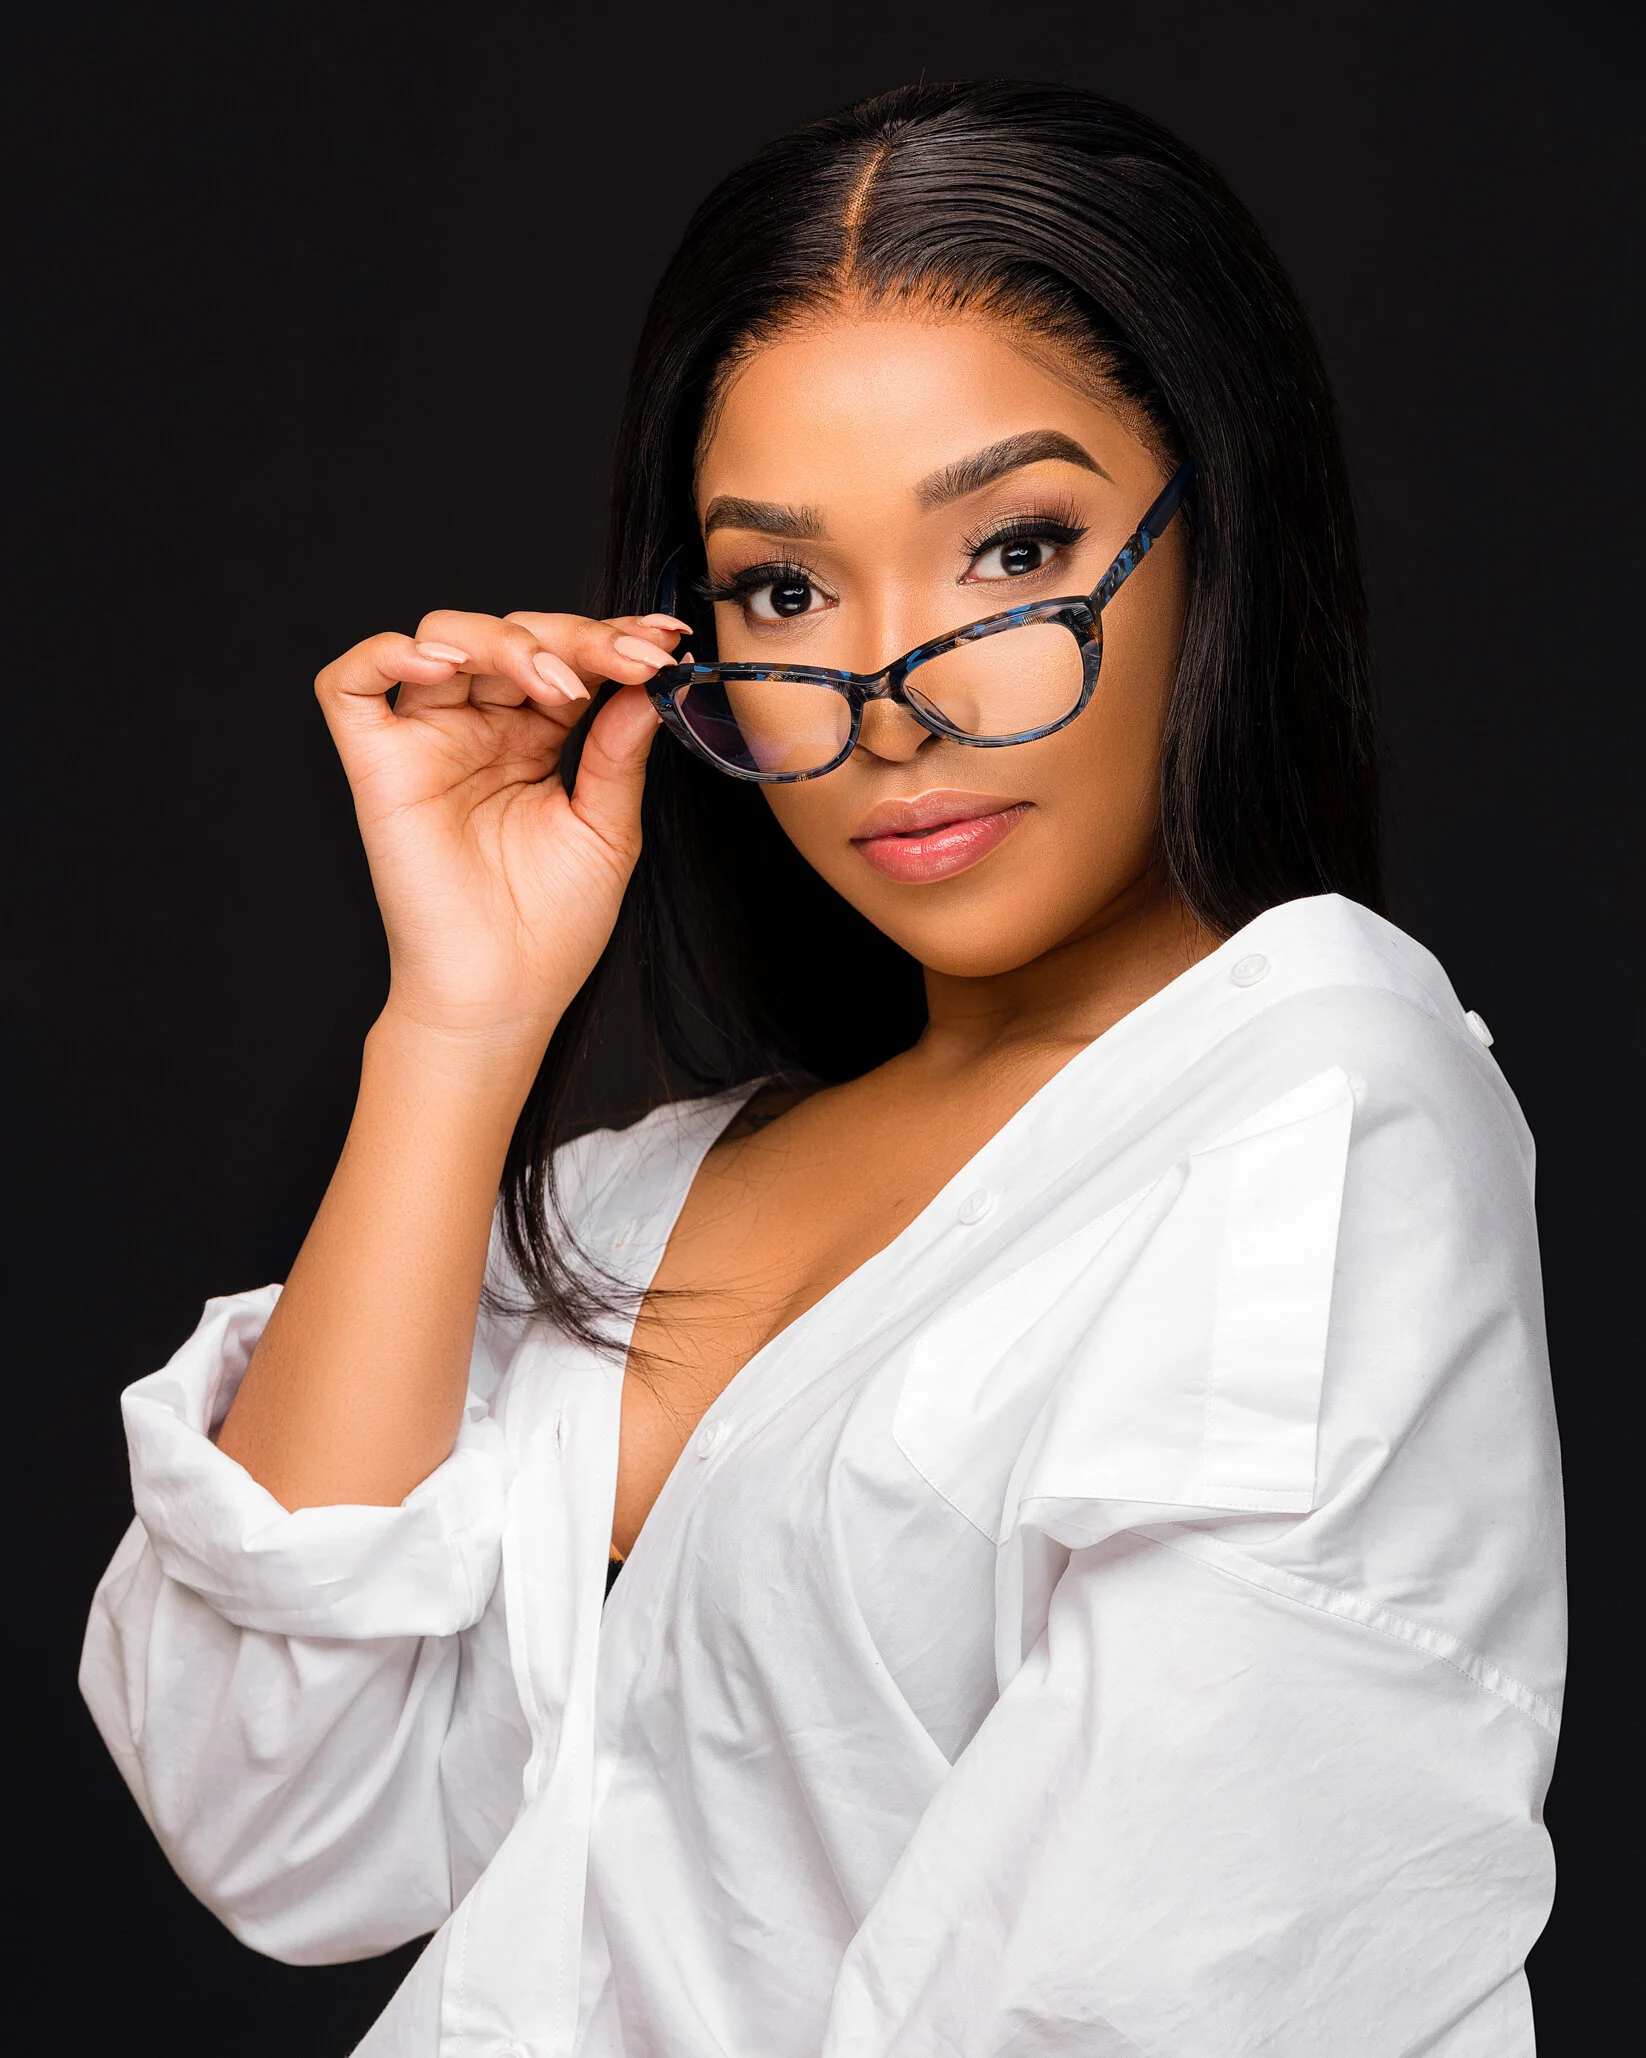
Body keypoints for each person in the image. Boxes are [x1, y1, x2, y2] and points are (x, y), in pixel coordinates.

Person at [80, 81, 1564, 2056]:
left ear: (1221, 534)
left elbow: (1173, 1982)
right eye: (783, 590)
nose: (898, 697)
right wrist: (458, 1023)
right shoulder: (626, 1202)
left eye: (1012, 549)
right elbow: (276, 1819)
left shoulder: (1313, 1096)